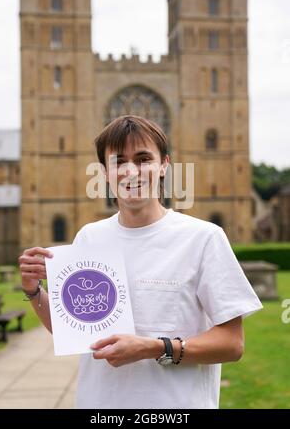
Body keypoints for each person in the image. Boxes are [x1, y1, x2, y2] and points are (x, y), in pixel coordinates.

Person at [19, 115, 262, 409]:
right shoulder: (89, 238)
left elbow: (232, 344)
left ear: (164, 165)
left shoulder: (204, 238)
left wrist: (154, 348)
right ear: (104, 173)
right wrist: (34, 290)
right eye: (118, 162)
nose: (131, 171)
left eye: (143, 158)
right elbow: (70, 329)